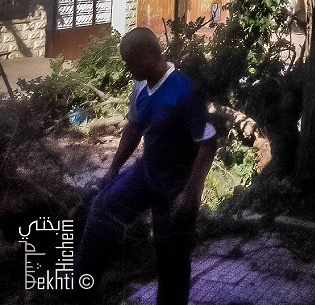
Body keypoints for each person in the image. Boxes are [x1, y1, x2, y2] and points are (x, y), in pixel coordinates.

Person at [74, 27, 216, 305]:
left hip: (175, 185)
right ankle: (81, 289)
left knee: (171, 255)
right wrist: (113, 169)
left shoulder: (185, 92)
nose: (127, 70)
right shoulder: (140, 87)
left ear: (148, 56)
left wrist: (191, 194)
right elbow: (134, 127)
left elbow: (208, 145)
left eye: (130, 62)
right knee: (103, 206)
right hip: (146, 172)